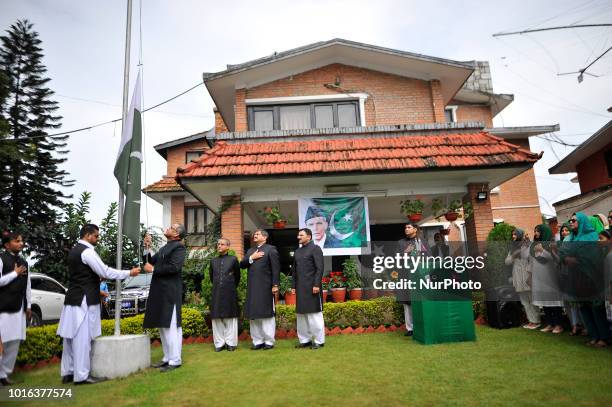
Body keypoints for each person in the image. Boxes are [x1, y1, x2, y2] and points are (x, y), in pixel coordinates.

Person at [57, 224, 140, 385]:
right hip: (84, 300)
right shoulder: (87, 251)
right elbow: (105, 271)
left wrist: (96, 278)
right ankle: (81, 376)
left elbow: (86, 274)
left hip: (72, 298)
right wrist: (128, 273)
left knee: (69, 338)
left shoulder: (75, 250)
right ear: (88, 235)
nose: (98, 238)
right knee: (82, 339)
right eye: (96, 236)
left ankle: (68, 372)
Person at [560, 212, 609, 347]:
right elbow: (562, 253)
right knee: (584, 307)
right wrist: (566, 258)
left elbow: (593, 257)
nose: (571, 222)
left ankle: (603, 338)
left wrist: (575, 259)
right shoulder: (572, 239)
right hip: (578, 278)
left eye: (574, 220)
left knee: (596, 308)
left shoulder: (592, 236)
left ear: (582, 222)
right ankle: (593, 336)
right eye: (570, 220)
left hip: (591, 278)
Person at [143, 224, 187, 371]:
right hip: (159, 291)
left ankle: (175, 360)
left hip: (170, 292)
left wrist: (154, 269)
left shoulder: (179, 247)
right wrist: (147, 248)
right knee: (163, 326)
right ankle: (167, 357)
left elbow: (174, 268)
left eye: (172, 227)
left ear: (176, 235)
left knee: (172, 326)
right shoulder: (164, 247)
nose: (168, 228)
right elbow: (149, 262)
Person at [240, 229, 280, 350]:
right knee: (254, 315)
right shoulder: (250, 251)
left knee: (266, 314)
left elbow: (276, 268)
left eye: (257, 234)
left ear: (265, 237)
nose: (254, 235)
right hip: (252, 288)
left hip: (266, 287)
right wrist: (252, 257)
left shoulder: (271, 249)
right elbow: (242, 265)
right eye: (254, 234)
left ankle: (269, 341)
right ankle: (257, 341)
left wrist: (275, 285)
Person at [0, 231, 31, 386]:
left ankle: (4, 375)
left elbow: (28, 286)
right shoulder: (1, 259)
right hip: (3, 309)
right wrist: (14, 273)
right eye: (17, 241)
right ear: (7, 244)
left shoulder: (24, 262)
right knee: (2, 342)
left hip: (19, 308)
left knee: (14, 343)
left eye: (21, 240)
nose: (21, 243)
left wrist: (29, 305)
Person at [291, 228, 325, 350]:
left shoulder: (316, 249)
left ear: (309, 237)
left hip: (312, 288)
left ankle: (319, 340)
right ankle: (304, 340)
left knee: (314, 315)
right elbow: (294, 271)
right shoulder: (297, 252)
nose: (298, 237)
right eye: (298, 235)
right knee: (301, 315)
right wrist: (293, 286)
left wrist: (316, 284)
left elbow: (319, 268)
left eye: (301, 235)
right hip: (300, 289)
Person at [396, 222, 429, 337]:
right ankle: (410, 328)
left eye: (409, 227)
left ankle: (424, 325)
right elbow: (395, 259)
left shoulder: (422, 242)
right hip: (406, 275)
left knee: (422, 300)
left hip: (421, 275)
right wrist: (405, 252)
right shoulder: (401, 243)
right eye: (405, 227)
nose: (406, 229)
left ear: (415, 229)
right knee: (408, 302)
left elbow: (428, 258)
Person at [530, 224, 564, 334]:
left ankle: (558, 324)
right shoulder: (535, 245)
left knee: (553, 301)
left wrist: (542, 251)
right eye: (535, 231)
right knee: (544, 302)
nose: (536, 233)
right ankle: (550, 324)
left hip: (550, 277)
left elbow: (555, 259)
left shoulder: (551, 243)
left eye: (538, 231)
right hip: (539, 277)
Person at [209, 238, 241, 352]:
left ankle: (231, 343)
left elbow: (237, 276)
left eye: (222, 244)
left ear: (228, 247)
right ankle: (219, 343)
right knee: (216, 318)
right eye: (218, 244)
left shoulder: (233, 259)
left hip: (230, 291)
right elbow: (212, 277)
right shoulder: (213, 261)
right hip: (216, 291)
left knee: (230, 317)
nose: (219, 246)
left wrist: (230, 285)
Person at [506, 228, 540, 329]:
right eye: (512, 235)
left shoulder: (528, 245)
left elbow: (532, 260)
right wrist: (513, 255)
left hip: (528, 274)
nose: (513, 237)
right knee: (524, 301)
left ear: (520, 235)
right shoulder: (512, 248)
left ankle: (536, 321)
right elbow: (507, 262)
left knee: (532, 299)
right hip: (517, 275)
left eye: (515, 235)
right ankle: (531, 321)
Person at [558, 223, 584, 336]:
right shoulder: (562, 244)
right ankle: (575, 325)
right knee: (570, 302)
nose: (564, 233)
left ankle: (583, 325)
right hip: (565, 275)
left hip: (575, 275)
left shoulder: (572, 242)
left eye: (566, 230)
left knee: (578, 302)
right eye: (562, 231)